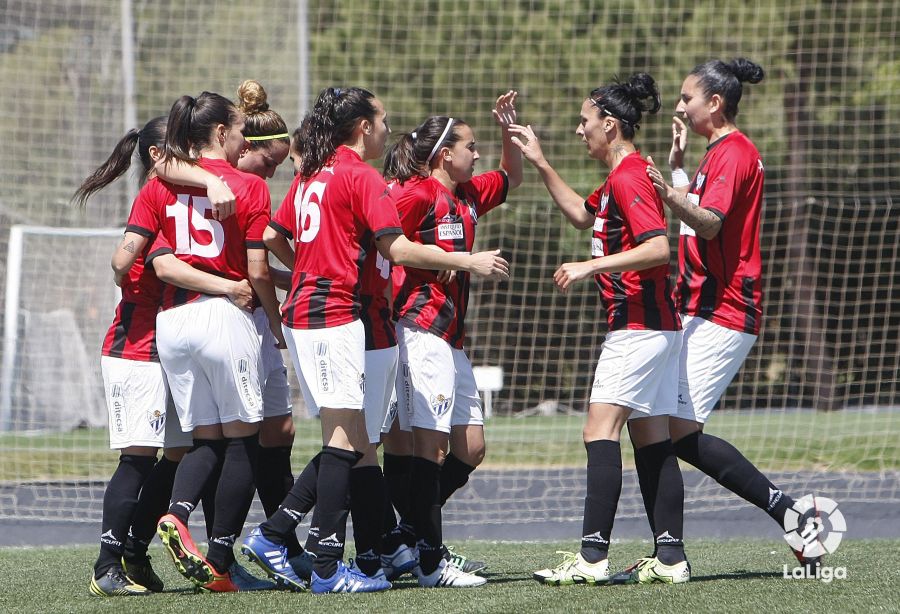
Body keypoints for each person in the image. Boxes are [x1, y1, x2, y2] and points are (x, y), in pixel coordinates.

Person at [240, 86, 509, 594]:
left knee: (355, 440)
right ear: (364, 127)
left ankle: (374, 548)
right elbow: (400, 249)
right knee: (348, 439)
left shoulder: (309, 175)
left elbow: (276, 236)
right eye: (382, 118)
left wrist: (308, 269)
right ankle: (315, 559)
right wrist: (467, 261)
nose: (389, 127)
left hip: (312, 313)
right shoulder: (361, 176)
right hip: (339, 313)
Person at [508, 74, 690, 585]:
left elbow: (658, 248)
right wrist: (541, 161)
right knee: (651, 437)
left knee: (598, 431)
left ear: (610, 125)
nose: (578, 129)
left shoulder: (631, 176)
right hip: (653, 327)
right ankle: (671, 560)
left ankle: (591, 558)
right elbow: (579, 217)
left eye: (585, 121)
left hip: (638, 326)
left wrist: (592, 267)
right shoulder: (618, 177)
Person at [645, 58, 818, 569]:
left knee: (673, 428)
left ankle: (787, 517)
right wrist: (678, 170)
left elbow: (711, 222)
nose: (679, 106)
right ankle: (671, 553)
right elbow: (695, 221)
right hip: (700, 306)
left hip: (725, 310)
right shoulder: (715, 153)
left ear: (714, 103)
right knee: (663, 425)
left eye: (686, 97)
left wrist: (664, 190)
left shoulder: (736, 153)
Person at [73, 117, 255, 597]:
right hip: (135, 349)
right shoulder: (157, 202)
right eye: (182, 152)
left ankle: (135, 552)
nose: (195, 160)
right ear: (162, 156)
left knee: (181, 455)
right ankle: (106, 564)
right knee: (137, 458)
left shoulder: (181, 199)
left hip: (169, 349)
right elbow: (127, 261)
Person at [116, 91, 282, 592]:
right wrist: (274, 323)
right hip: (225, 316)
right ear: (218, 135)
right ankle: (220, 557)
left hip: (175, 322)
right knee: (246, 439)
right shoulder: (249, 185)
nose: (241, 139)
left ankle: (178, 514)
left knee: (206, 438)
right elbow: (255, 269)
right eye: (237, 131)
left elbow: (142, 259)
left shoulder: (159, 185)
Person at [379, 90, 522, 588]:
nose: (477, 154)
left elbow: (511, 176)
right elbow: (390, 247)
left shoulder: (467, 194)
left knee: (472, 447)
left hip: (451, 338)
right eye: (471, 146)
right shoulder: (416, 192)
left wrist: (508, 131)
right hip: (418, 330)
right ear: (445, 154)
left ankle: (403, 537)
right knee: (429, 447)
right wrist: (463, 261)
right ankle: (429, 561)